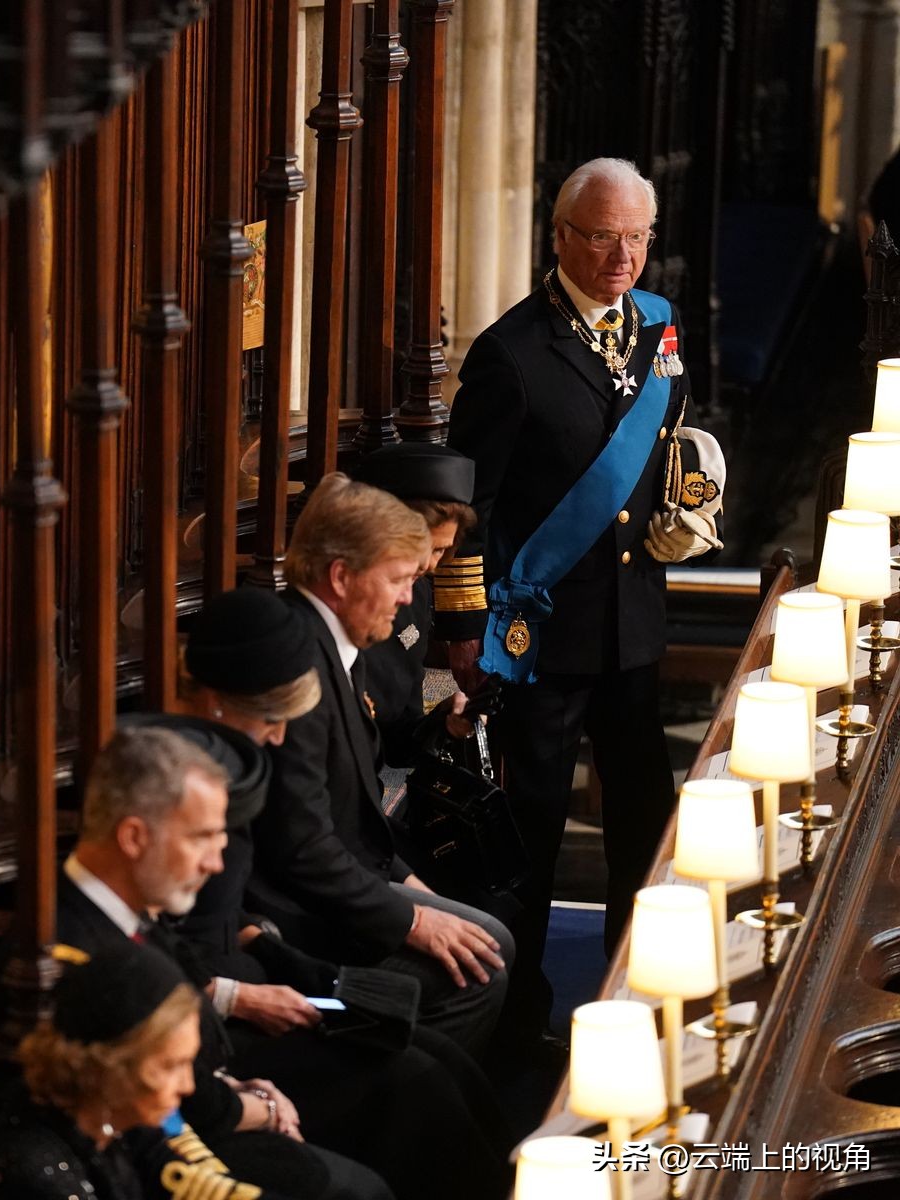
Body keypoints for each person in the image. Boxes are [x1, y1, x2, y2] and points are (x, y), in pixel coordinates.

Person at [440, 157, 723, 1035]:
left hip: (633, 626)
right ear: (559, 235)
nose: (622, 257)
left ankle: (634, 997)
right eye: (602, 237)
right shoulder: (510, 355)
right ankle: (516, 1015)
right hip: (543, 634)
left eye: (637, 237)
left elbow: (665, 441)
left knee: (645, 823)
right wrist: (463, 628)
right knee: (531, 835)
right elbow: (465, 510)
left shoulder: (658, 331)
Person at [176, 586, 515, 1198]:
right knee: (416, 1080)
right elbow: (151, 948)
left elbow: (226, 914)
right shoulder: (176, 782)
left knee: (443, 1061)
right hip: (213, 1026)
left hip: (253, 970)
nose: (279, 738)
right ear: (220, 702)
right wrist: (239, 995)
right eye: (272, 719)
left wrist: (275, 964)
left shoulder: (229, 761)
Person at [55, 725, 394, 1200]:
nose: (216, 863)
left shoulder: (125, 903)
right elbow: (155, 1106)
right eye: (201, 837)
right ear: (134, 836)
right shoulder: (72, 947)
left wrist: (243, 1089)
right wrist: (260, 1106)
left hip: (211, 1093)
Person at [247, 473, 514, 1058]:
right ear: (341, 577)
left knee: (488, 930)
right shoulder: (296, 661)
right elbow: (302, 847)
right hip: (296, 913)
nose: (406, 596)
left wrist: (411, 887)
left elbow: (356, 807)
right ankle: (388, 1086)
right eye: (398, 578)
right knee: (483, 963)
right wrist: (413, 918)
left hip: (352, 870)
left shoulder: (342, 640)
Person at [0, 937, 326, 1199]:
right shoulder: (35, 1173)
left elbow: (199, 1185)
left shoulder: (119, 1119)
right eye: (171, 1066)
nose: (188, 1086)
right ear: (107, 1065)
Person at [354, 442, 480, 766]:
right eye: (422, 546)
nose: (429, 564)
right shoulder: (336, 607)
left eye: (441, 550)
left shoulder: (416, 596)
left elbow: (397, 743)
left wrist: (444, 723)